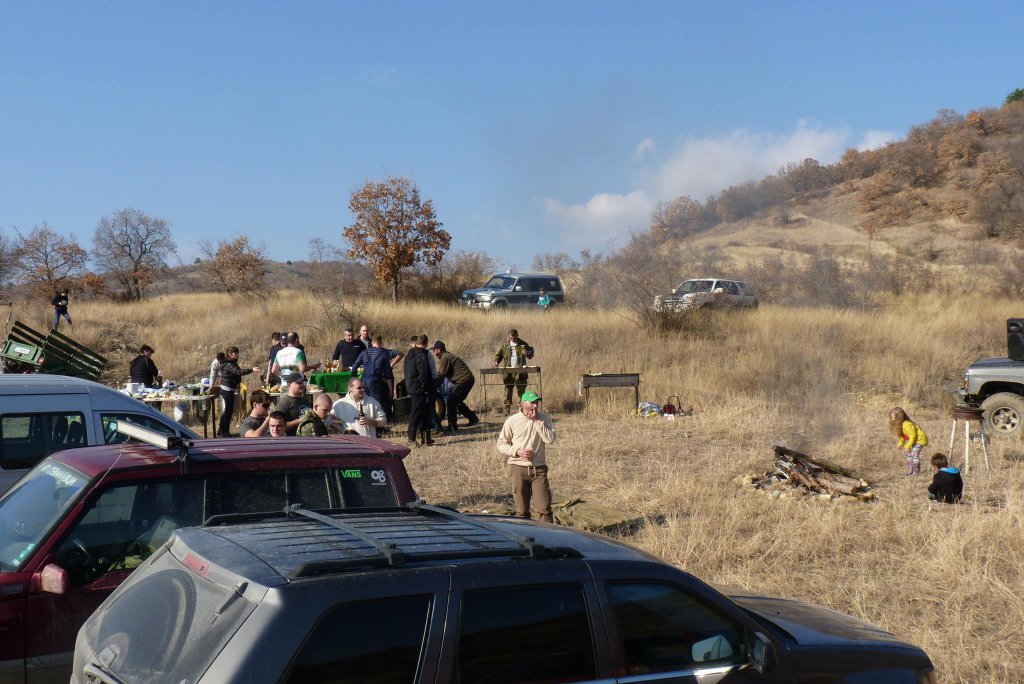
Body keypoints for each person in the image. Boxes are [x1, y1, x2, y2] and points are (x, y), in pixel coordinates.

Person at [496, 391, 556, 523]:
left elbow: (550, 439)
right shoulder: (512, 421)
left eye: (537, 402)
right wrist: (517, 451)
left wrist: (537, 422)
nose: (535, 405)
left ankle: (547, 540)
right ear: (523, 404)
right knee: (522, 512)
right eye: (532, 402)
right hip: (518, 468)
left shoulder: (544, 418)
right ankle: (524, 541)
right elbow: (501, 444)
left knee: (545, 510)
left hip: (539, 469)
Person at [432, 341, 479, 432]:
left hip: (464, 380)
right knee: (457, 401)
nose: (433, 352)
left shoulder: (445, 358)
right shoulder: (446, 356)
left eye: (434, 350)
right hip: (466, 380)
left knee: (451, 401)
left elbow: (440, 374)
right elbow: (442, 375)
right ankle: (473, 418)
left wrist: (432, 384)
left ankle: (452, 426)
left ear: (438, 349)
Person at [351, 335, 400, 420]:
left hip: (364, 380)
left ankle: (364, 420)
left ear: (371, 342)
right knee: (376, 404)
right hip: (376, 382)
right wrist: (390, 390)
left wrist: (357, 380)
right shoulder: (384, 354)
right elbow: (388, 373)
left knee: (364, 402)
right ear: (380, 342)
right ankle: (378, 426)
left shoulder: (364, 353)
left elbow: (354, 367)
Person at [217, 347, 260, 438]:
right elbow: (239, 372)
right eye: (235, 353)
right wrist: (252, 370)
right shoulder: (229, 364)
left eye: (237, 352)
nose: (237, 354)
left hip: (228, 389)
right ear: (230, 354)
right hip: (227, 390)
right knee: (228, 412)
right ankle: (224, 433)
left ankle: (221, 432)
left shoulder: (230, 362)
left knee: (227, 412)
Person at [493, 328, 534, 415]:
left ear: (517, 336)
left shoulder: (523, 344)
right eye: (511, 338)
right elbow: (499, 355)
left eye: (514, 338)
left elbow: (531, 354)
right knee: (508, 391)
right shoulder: (505, 345)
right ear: (509, 337)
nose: (512, 340)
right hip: (508, 372)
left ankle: (521, 411)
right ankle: (507, 411)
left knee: (521, 392)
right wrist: (496, 361)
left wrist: (527, 353)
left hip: (520, 371)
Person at [403, 335, 435, 446]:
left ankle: (426, 439)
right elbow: (424, 374)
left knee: (424, 413)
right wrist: (425, 388)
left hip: (410, 385)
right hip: (419, 389)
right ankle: (411, 438)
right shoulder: (422, 355)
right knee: (416, 414)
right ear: (426, 343)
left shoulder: (409, 354)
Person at [889, 407, 928, 476]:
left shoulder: (906, 424)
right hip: (913, 440)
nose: (892, 419)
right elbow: (904, 436)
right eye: (891, 417)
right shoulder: (900, 424)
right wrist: (901, 443)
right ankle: (911, 470)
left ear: (899, 417)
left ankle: (916, 473)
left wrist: (908, 445)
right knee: (909, 455)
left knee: (914, 455)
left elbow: (913, 435)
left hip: (920, 440)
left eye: (894, 417)